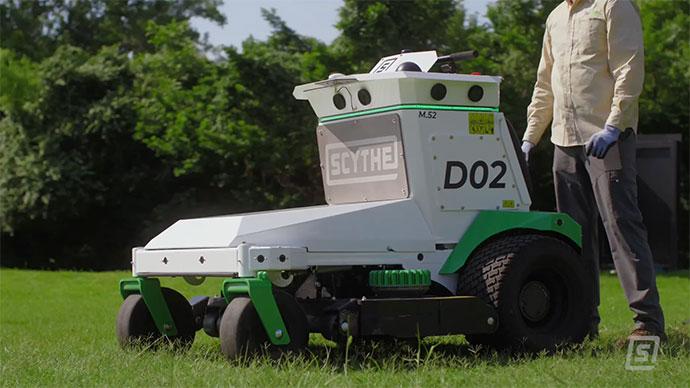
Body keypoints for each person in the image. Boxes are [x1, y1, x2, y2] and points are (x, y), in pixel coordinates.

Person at [520, 0, 665, 341]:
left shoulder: (613, 5)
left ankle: (647, 324)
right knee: (574, 238)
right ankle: (581, 324)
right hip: (564, 142)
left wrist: (614, 126)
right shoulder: (555, 16)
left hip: (606, 137)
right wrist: (531, 136)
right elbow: (545, 83)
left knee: (621, 226)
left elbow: (629, 67)